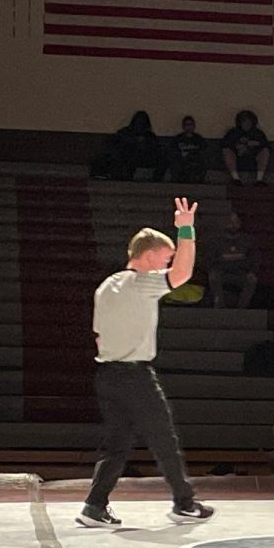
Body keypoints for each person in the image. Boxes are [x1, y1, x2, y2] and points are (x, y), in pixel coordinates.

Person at [75, 197, 214, 529]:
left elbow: (98, 334)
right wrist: (186, 228)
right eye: (164, 257)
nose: (166, 263)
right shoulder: (141, 284)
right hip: (134, 376)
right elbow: (182, 274)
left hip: (107, 374)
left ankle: (94, 505)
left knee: (117, 444)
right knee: (163, 438)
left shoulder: (106, 286)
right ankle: (184, 503)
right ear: (149, 254)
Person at [90, 111, 166, 182]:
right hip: (125, 156)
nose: (139, 125)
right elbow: (115, 145)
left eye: (142, 123)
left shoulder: (150, 136)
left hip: (143, 158)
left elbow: (155, 150)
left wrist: (143, 145)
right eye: (138, 122)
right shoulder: (124, 133)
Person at [207, 212, 258, 309]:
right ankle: (219, 305)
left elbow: (254, 259)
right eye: (230, 222)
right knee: (213, 277)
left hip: (241, 273)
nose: (233, 225)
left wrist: (251, 271)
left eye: (235, 222)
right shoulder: (215, 240)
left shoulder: (247, 240)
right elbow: (210, 260)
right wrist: (229, 259)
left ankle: (241, 308)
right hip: (221, 273)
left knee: (252, 280)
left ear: (240, 223)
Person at [221, 109, 271, 186]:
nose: (246, 124)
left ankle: (259, 179)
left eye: (249, 122)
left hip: (253, 158)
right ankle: (235, 179)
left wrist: (256, 144)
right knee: (226, 151)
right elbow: (225, 144)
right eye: (244, 122)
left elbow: (266, 145)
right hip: (237, 158)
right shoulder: (233, 133)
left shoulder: (258, 133)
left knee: (265, 152)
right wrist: (237, 145)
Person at [168, 115, 208, 184]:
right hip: (181, 161)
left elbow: (204, 151)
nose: (189, 127)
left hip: (195, 162)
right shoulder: (178, 139)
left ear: (194, 126)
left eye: (190, 125)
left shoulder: (199, 139)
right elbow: (173, 151)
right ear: (183, 126)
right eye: (187, 125)